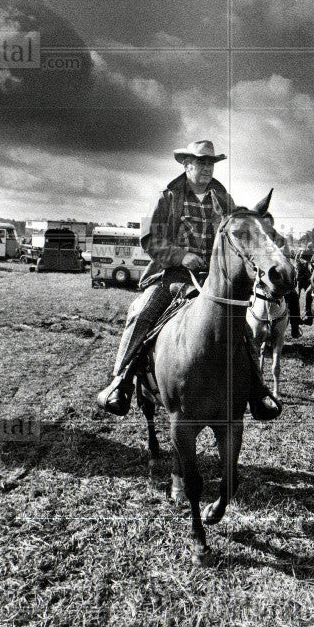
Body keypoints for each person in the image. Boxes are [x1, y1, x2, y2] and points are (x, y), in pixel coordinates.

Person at [96, 140, 282, 420]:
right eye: (201, 162)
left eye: (211, 163)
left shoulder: (224, 200)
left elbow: (235, 236)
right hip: (173, 274)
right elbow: (149, 239)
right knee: (142, 312)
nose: (207, 168)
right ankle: (119, 382)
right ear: (187, 165)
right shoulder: (167, 196)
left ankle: (257, 390)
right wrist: (180, 256)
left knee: (242, 327)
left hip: (214, 279)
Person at [260, 211, 301, 338]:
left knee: (293, 296)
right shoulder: (258, 240)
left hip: (276, 276)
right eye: (263, 224)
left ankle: (295, 326)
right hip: (260, 276)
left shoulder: (281, 240)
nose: (265, 227)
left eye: (268, 224)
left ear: (272, 224)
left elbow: (287, 259)